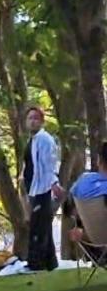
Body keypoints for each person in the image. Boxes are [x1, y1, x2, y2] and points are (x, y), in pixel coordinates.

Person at [22, 105, 62, 272]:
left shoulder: (45, 140)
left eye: (36, 118)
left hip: (43, 189)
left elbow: (50, 163)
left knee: (37, 227)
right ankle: (50, 262)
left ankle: (35, 264)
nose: (32, 122)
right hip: (34, 189)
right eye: (30, 118)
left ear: (42, 121)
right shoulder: (33, 140)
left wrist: (53, 182)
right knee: (44, 225)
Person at [67, 141, 107, 265]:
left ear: (99, 160)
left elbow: (69, 210)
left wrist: (81, 230)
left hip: (91, 243)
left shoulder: (82, 182)